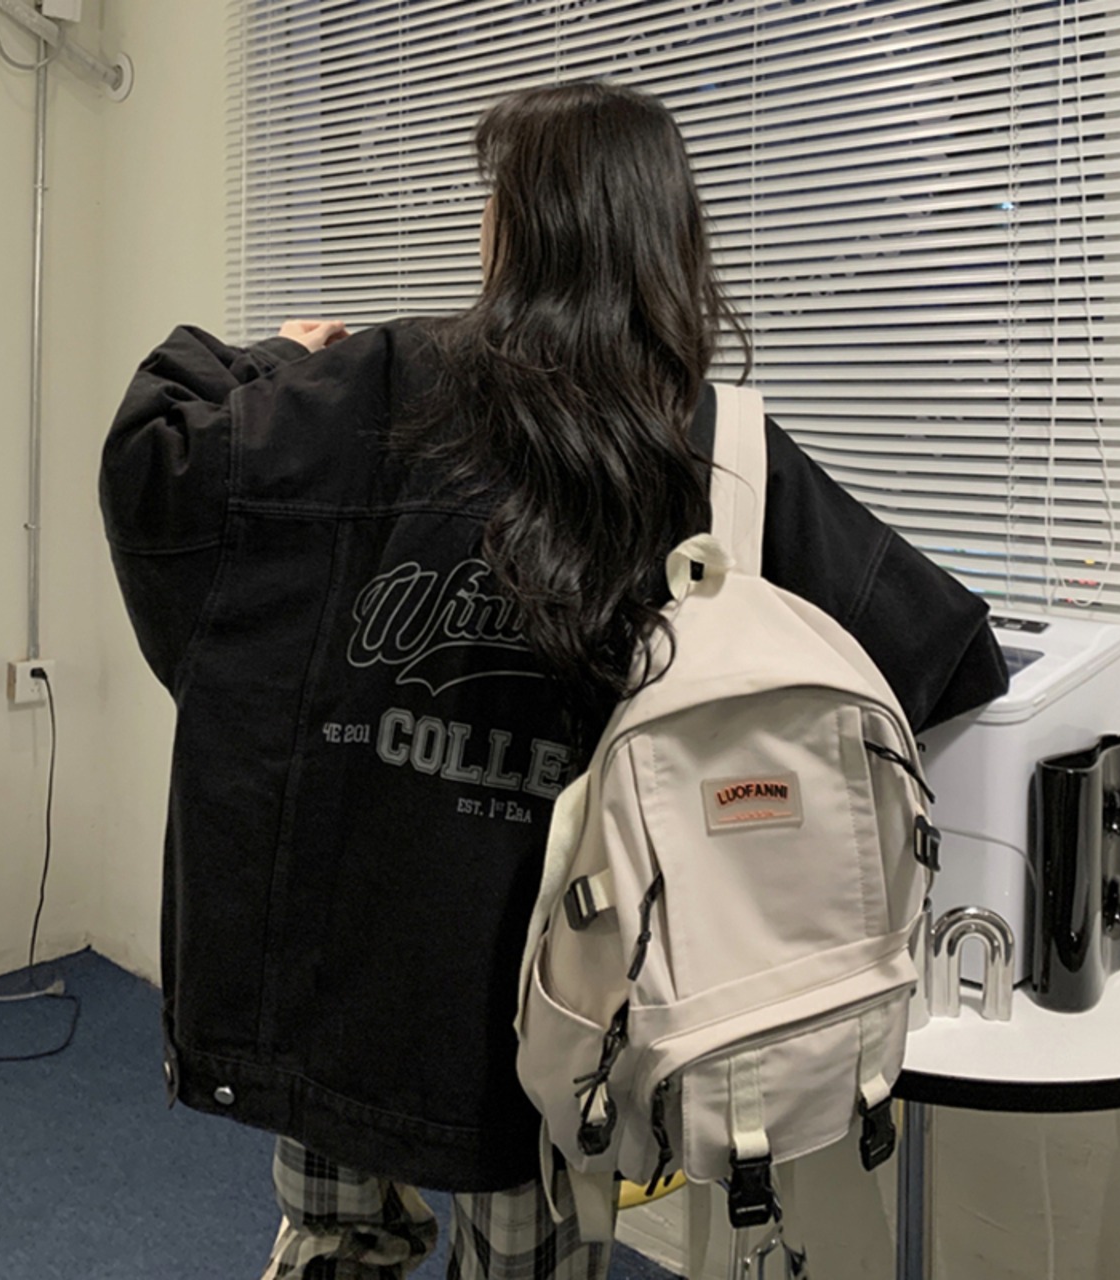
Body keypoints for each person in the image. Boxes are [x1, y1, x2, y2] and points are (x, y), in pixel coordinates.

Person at [100, 81, 1008, 1280]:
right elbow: (943, 655)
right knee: (531, 1254)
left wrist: (279, 356)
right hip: (566, 997)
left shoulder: (376, 385)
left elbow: (156, 459)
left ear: (513, 229)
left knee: (332, 1245)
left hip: (346, 956)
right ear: (664, 239)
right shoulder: (714, 453)